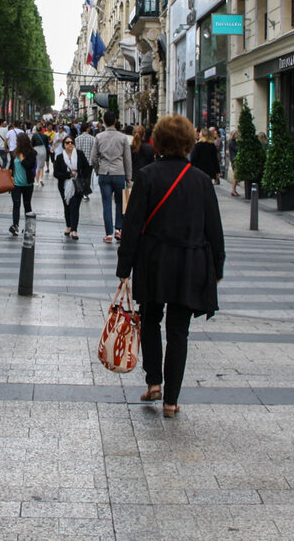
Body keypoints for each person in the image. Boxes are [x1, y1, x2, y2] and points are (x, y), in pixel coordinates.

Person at [116, 114, 224, 418]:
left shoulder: (148, 176)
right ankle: (171, 401)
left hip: (153, 260)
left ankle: (154, 382)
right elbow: (214, 229)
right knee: (179, 330)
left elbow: (133, 223)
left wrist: (124, 267)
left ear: (159, 141)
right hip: (190, 262)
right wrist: (217, 267)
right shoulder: (202, 180)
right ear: (189, 142)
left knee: (150, 318)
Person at [92, 110, 134, 244]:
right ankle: (118, 229)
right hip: (119, 173)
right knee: (120, 202)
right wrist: (129, 176)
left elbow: (93, 158)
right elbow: (127, 158)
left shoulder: (99, 137)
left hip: (105, 172)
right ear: (115, 121)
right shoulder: (122, 138)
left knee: (106, 203)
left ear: (104, 121)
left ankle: (108, 233)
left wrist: (98, 170)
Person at [54, 134, 92, 239]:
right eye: (67, 143)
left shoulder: (79, 154)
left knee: (75, 207)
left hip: (78, 185)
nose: (70, 144)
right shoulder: (60, 157)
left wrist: (81, 176)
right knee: (67, 206)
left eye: (71, 142)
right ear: (64, 145)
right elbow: (56, 173)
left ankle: (74, 230)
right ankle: (69, 226)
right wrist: (69, 175)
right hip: (64, 186)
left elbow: (87, 168)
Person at [8, 132, 36, 235]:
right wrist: (10, 175)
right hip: (16, 184)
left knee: (27, 204)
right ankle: (15, 225)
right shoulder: (14, 152)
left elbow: (28, 166)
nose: (16, 143)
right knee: (16, 204)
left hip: (27, 184)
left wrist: (22, 158)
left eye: (17, 141)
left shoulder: (32, 153)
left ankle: (28, 227)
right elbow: (11, 166)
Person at [74, 125, 96, 201]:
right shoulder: (93, 139)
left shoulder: (77, 139)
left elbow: (75, 150)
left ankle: (81, 190)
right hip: (89, 162)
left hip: (79, 161)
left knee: (79, 177)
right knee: (88, 177)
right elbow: (94, 152)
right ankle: (86, 193)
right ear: (87, 128)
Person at [228, 130, 240, 197]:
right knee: (236, 176)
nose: (237, 135)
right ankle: (233, 190)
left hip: (234, 159)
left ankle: (234, 190)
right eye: (236, 134)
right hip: (234, 160)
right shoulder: (232, 143)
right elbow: (237, 149)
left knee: (236, 176)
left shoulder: (234, 142)